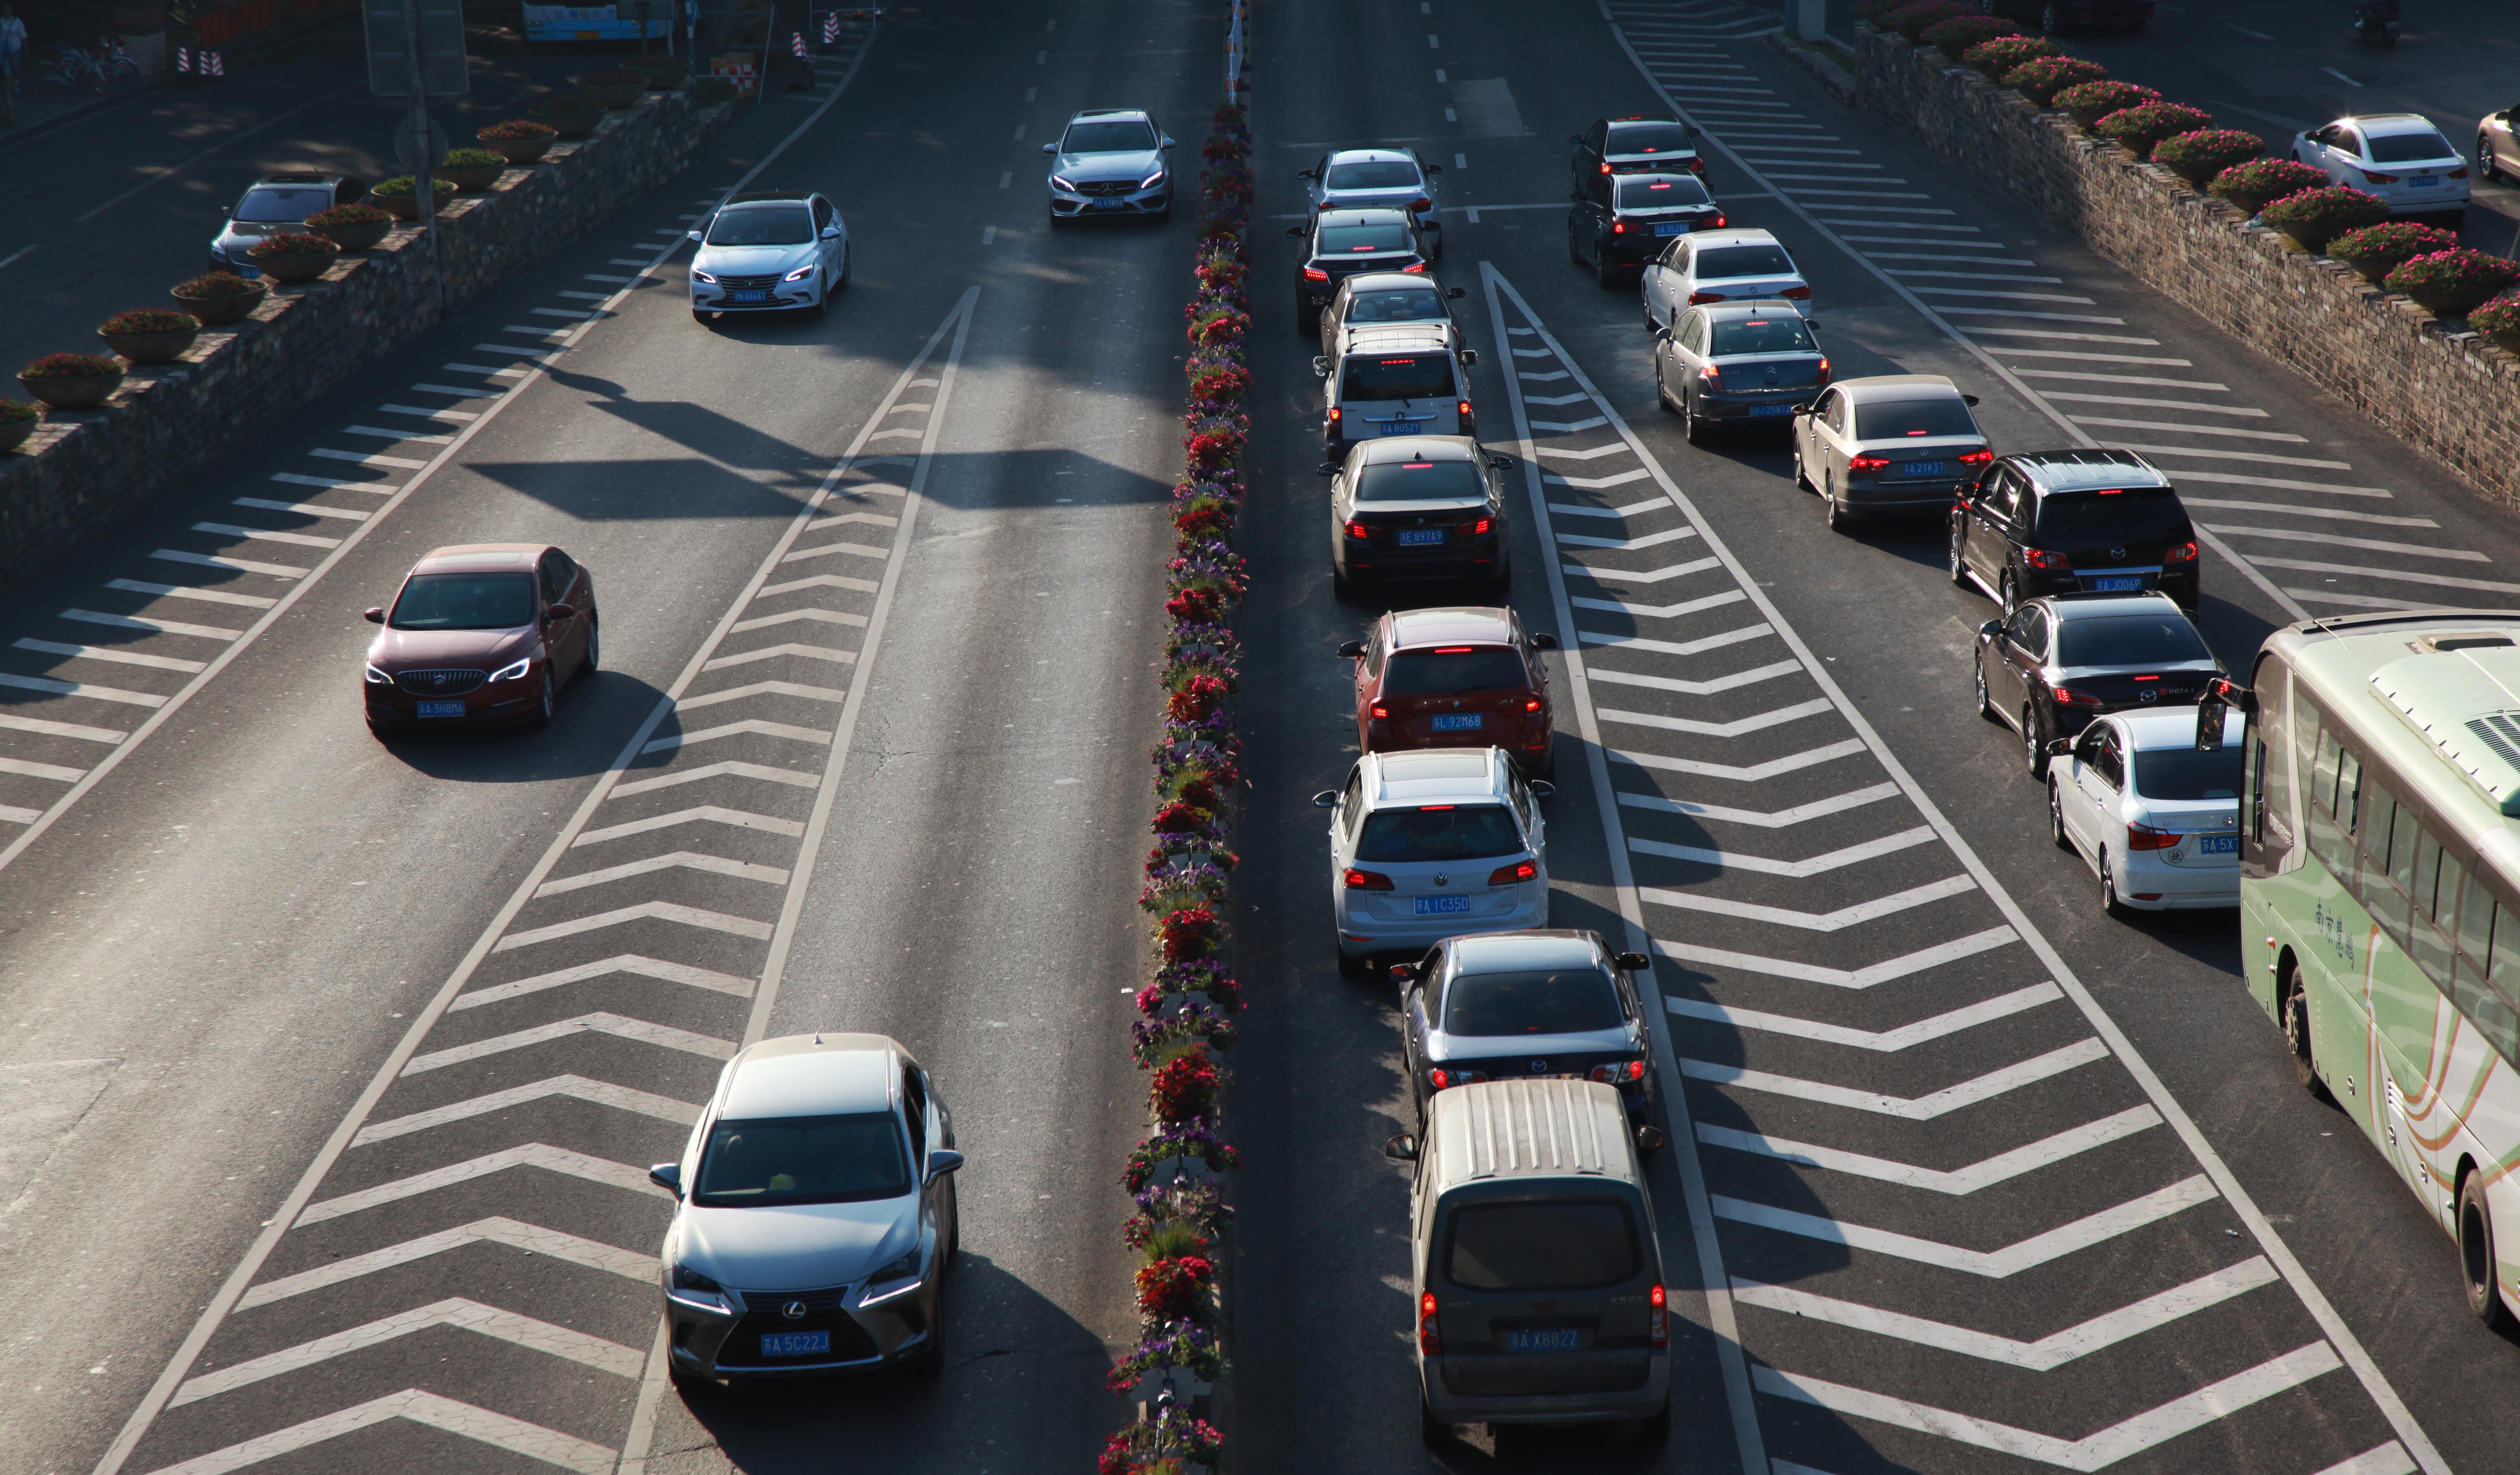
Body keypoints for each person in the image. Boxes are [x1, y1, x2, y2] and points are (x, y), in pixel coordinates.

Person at [0, 5, 29, 96]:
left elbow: (23, 36)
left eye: (8, 8)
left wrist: (27, 49)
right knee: (8, 70)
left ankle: (16, 85)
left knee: (16, 68)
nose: (6, 10)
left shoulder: (17, 21)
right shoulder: (1, 22)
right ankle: (9, 89)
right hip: (5, 50)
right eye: (5, 8)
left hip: (16, 49)